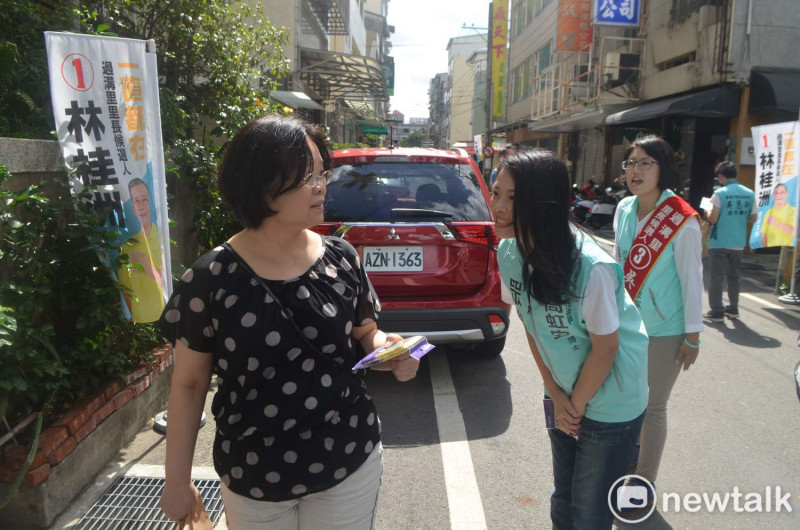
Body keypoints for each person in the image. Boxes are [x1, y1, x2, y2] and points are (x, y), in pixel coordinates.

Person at [157, 114, 419, 529]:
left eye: (322, 172)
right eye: (304, 177)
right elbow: (188, 385)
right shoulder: (211, 278)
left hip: (348, 459)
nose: (320, 186)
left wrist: (387, 349)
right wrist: (177, 482)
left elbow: (366, 332)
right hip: (255, 477)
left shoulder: (341, 258)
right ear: (258, 183)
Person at [491, 148, 649, 529]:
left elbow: (607, 347)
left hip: (611, 400)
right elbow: (530, 324)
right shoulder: (508, 251)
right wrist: (554, 393)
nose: (498, 206)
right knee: (563, 495)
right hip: (562, 392)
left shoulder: (591, 267)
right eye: (496, 192)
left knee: (590, 510)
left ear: (542, 204)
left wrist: (573, 405)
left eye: (513, 198)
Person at [613, 135, 703, 501]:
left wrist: (693, 335)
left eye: (645, 163)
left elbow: (692, 280)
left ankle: (643, 482)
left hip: (665, 330)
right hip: (625, 322)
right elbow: (618, 264)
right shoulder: (623, 209)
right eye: (631, 163)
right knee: (623, 400)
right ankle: (628, 461)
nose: (636, 170)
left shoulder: (681, 219)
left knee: (652, 405)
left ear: (662, 168)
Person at [703, 161, 756, 321]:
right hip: (738, 242)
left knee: (717, 277)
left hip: (720, 242)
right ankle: (733, 309)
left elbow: (713, 219)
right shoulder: (749, 193)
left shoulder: (720, 193)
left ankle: (717, 311)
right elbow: (753, 218)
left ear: (721, 176)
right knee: (734, 277)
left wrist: (707, 210)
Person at [117, 178, 165, 322]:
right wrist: (133, 317)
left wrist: (148, 268)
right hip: (139, 322)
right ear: (133, 208)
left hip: (164, 317)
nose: (141, 206)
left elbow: (168, 281)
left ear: (151, 202)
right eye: (137, 201)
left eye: (144, 199)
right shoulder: (128, 245)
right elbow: (125, 287)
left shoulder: (162, 236)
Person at [760, 183, 797, 248]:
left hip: (786, 250)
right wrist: (766, 249)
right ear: (773, 196)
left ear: (786, 195)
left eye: (782, 192)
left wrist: (775, 222)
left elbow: (794, 232)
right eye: (776, 193)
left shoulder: (793, 211)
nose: (778, 195)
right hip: (770, 250)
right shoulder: (768, 212)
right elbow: (764, 236)